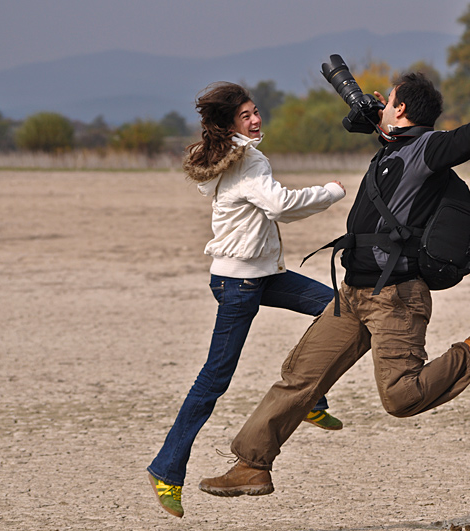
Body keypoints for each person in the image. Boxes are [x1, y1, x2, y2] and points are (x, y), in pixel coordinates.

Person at [197, 73, 470, 498]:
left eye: (390, 101)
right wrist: (378, 113)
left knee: (401, 397)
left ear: (404, 109)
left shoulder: (428, 149)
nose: (383, 107)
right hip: (352, 294)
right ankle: (252, 465)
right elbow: (371, 125)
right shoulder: (395, 145)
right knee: (299, 377)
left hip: (395, 297)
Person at [147, 81, 347, 518]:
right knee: (213, 381)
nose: (256, 120)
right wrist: (331, 192)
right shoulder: (248, 159)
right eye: (245, 116)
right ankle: (166, 468)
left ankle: (309, 398)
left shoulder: (230, 156)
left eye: (256, 111)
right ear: (229, 124)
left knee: (339, 309)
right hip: (239, 284)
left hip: (261, 275)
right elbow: (279, 206)